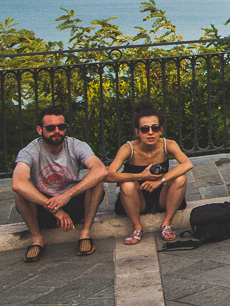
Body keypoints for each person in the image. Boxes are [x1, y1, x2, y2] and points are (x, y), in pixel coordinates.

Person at [12, 106, 107, 261]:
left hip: (72, 205)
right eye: (50, 128)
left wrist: (66, 196)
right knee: (20, 193)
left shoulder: (76, 145)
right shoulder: (29, 151)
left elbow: (101, 170)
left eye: (61, 127)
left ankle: (85, 233)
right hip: (44, 209)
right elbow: (18, 183)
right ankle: (37, 239)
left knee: (96, 182)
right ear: (39, 130)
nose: (57, 131)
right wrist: (53, 207)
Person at [105, 101, 193, 244]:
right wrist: (140, 176)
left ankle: (167, 223)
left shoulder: (168, 144)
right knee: (126, 185)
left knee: (180, 178)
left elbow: (187, 164)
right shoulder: (128, 148)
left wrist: (160, 181)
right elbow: (109, 175)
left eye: (155, 128)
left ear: (160, 130)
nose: (150, 133)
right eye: (145, 129)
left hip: (161, 196)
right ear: (137, 132)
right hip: (137, 198)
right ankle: (137, 227)